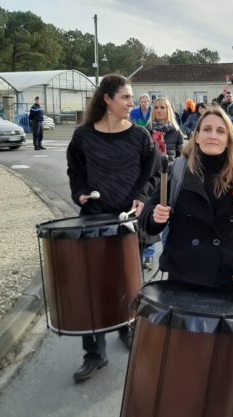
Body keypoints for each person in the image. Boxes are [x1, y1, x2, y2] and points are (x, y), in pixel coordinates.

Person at [66, 74, 159, 382]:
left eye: (132, 98)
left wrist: (140, 198)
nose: (132, 103)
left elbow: (151, 174)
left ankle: (128, 327)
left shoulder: (140, 137)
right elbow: (75, 171)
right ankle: (94, 353)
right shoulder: (82, 136)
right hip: (92, 218)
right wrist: (78, 190)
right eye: (126, 98)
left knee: (128, 280)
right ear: (107, 99)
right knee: (92, 285)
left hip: (126, 219)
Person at [141, 106, 233, 291]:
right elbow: (149, 214)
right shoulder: (178, 170)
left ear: (228, 141)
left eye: (220, 131)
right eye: (207, 129)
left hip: (227, 274)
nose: (213, 135)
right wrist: (155, 217)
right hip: (184, 273)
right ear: (197, 137)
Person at [142, 97, 184, 270]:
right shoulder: (145, 131)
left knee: (168, 218)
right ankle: (148, 254)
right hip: (151, 181)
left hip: (169, 181)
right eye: (156, 107)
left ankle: (169, 255)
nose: (159, 110)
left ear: (168, 110)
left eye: (163, 107)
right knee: (150, 217)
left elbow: (182, 159)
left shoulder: (176, 132)